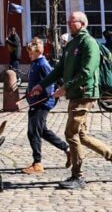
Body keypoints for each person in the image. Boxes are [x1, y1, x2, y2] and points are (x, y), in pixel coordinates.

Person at [30, 11, 112, 190]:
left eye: (72, 21)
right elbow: (59, 70)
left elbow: (87, 72)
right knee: (81, 135)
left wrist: (66, 88)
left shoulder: (89, 43)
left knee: (71, 133)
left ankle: (78, 175)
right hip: (75, 94)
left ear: (82, 23)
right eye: (68, 20)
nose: (68, 23)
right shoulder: (72, 43)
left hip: (84, 93)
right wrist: (41, 85)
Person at [22, 38, 70, 174]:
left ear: (38, 52)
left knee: (33, 132)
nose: (29, 55)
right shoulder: (36, 63)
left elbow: (50, 84)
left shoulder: (42, 64)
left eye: (31, 53)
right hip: (36, 101)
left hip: (41, 103)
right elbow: (34, 83)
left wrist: (42, 97)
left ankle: (37, 163)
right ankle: (67, 149)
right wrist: (27, 94)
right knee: (42, 131)